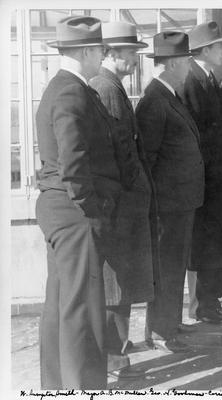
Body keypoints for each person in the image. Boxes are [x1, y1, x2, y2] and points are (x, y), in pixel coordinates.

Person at [35, 16, 120, 389]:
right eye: (100, 50)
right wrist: (92, 208)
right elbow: (73, 162)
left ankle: (57, 385)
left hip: (59, 208)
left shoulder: (60, 87)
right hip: (75, 212)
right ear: (87, 51)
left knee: (61, 303)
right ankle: (82, 386)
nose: (102, 56)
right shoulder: (72, 91)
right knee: (82, 306)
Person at [89, 21, 157, 379]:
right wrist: (138, 187)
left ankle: (116, 352)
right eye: (131, 53)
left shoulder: (110, 85)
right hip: (122, 205)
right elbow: (121, 152)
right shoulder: (108, 88)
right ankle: (114, 359)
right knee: (116, 283)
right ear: (113, 53)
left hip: (124, 203)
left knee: (122, 282)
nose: (135, 60)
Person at [136, 31, 204, 353]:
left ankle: (170, 325)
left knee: (174, 267)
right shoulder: (155, 101)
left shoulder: (169, 96)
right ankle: (161, 332)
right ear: (174, 63)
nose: (190, 67)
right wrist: (159, 204)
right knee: (166, 269)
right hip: (168, 206)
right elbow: (147, 160)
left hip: (181, 203)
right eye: (187, 61)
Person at [184, 21, 222, 324]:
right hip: (206, 183)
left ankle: (210, 303)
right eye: (219, 46)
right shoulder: (192, 81)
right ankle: (204, 305)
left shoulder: (209, 79)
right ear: (204, 50)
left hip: (217, 180)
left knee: (217, 243)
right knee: (206, 245)